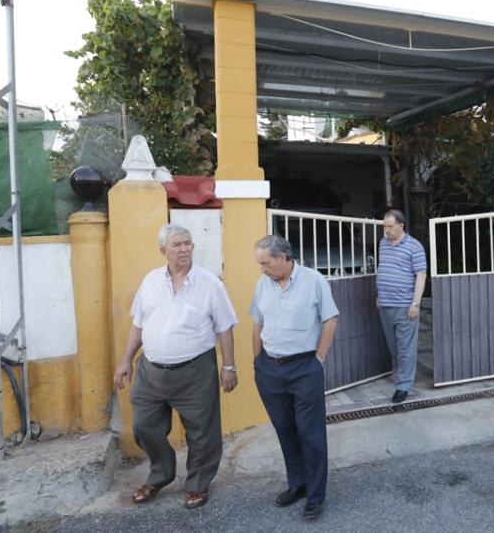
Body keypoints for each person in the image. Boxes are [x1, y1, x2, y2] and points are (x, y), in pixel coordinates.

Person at [113, 223, 239, 510]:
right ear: (163, 251)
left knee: (202, 432)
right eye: (177, 245)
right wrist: (126, 361)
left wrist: (229, 367)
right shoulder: (150, 281)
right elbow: (138, 324)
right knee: (144, 426)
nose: (184, 249)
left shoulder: (210, 284)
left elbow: (225, 327)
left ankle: (198, 483)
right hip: (150, 371)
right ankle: (161, 474)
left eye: (187, 243)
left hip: (196, 372)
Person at [251, 234, 340, 522]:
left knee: (310, 433)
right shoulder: (262, 284)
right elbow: (257, 323)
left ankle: (315, 496)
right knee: (285, 430)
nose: (262, 269)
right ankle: (297, 485)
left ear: (283, 258)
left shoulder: (314, 280)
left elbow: (330, 319)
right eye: (259, 264)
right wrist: (257, 362)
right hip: (270, 369)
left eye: (265, 263)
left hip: (304, 368)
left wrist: (318, 360)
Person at [375, 209, 427, 404]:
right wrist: (380, 294)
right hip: (385, 304)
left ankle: (403, 386)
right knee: (394, 347)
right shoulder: (383, 243)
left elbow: (421, 276)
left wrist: (415, 304)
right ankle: (403, 374)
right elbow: (384, 269)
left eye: (390, 227)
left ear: (401, 226)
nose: (386, 230)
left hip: (405, 306)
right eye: (385, 227)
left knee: (405, 348)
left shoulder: (414, 246)